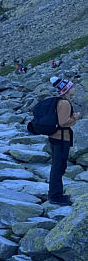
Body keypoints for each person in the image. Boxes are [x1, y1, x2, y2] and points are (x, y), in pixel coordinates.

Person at [47, 77, 81, 205]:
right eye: (72, 87)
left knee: (57, 166)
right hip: (61, 138)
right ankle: (56, 196)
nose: (74, 89)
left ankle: (54, 193)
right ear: (66, 90)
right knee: (59, 167)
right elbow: (64, 122)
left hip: (55, 137)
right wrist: (75, 117)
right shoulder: (65, 103)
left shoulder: (59, 101)